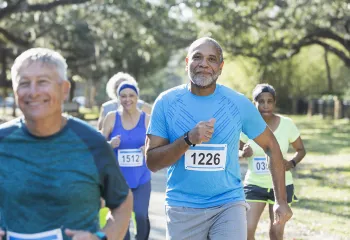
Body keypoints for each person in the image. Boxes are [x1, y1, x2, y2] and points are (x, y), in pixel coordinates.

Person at [145, 37, 293, 240]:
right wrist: (187, 139)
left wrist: (281, 200)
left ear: (220, 67)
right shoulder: (166, 102)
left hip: (228, 203)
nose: (204, 64)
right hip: (182, 206)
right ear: (187, 62)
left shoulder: (238, 103)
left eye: (211, 59)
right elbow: (152, 162)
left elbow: (272, 146)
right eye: (197, 57)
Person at [0, 48, 133, 240]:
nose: (33, 92)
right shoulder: (3, 141)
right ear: (15, 90)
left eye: (43, 82)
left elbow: (122, 202)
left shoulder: (92, 143)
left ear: (64, 89)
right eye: (24, 83)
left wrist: (102, 237)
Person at [239, 83, 306, 240]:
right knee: (246, 230)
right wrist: (243, 153)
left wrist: (292, 163)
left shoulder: (287, 124)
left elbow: (301, 150)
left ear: (275, 103)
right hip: (254, 184)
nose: (265, 105)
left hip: (282, 185)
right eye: (261, 101)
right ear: (254, 103)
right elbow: (235, 151)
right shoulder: (247, 125)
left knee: (275, 232)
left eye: (269, 101)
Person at [102, 81, 151, 240]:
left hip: (142, 177)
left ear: (137, 97)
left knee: (142, 215)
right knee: (122, 218)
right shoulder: (111, 118)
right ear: (118, 98)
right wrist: (110, 144)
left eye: (131, 95)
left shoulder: (146, 119)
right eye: (123, 96)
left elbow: (158, 143)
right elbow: (100, 145)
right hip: (119, 179)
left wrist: (148, 148)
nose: (127, 99)